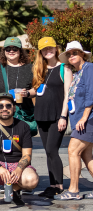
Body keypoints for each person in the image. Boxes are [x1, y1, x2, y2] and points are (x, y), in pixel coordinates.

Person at [0, 93, 39, 206]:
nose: (4, 109)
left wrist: (19, 170)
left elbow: (27, 156)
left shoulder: (24, 126)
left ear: (14, 108)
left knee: (32, 179)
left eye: (8, 106)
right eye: (0, 106)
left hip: (17, 165)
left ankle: (15, 189)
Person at [27, 37, 72, 198]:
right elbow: (35, 89)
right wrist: (25, 93)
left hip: (56, 116)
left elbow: (68, 94)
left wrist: (63, 116)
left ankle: (59, 186)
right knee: (48, 151)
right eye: (44, 49)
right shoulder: (40, 68)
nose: (48, 51)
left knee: (52, 150)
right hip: (41, 115)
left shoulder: (64, 69)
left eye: (50, 48)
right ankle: (52, 185)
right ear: (40, 52)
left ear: (56, 49)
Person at [53, 41, 93, 201]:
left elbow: (91, 94)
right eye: (69, 54)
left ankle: (74, 190)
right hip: (79, 120)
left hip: (88, 120)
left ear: (82, 54)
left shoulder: (89, 68)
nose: (71, 56)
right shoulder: (77, 74)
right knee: (86, 156)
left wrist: (84, 117)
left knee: (72, 151)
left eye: (75, 52)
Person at [0, 37, 34, 119]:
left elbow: (36, 89)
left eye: (15, 48)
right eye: (8, 49)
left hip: (22, 116)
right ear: (4, 51)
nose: (11, 51)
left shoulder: (30, 68)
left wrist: (27, 93)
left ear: (20, 51)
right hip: (1, 115)